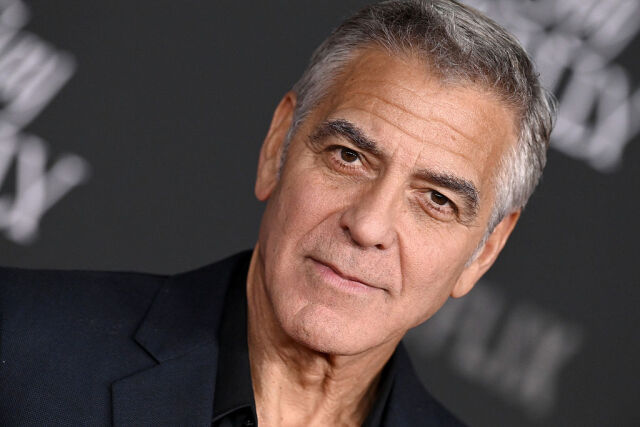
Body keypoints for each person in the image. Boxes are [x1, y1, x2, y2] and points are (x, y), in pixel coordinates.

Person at [0, 0, 555, 425]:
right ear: (277, 148)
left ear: (485, 249)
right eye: (349, 157)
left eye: (437, 199)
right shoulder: (19, 342)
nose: (368, 226)